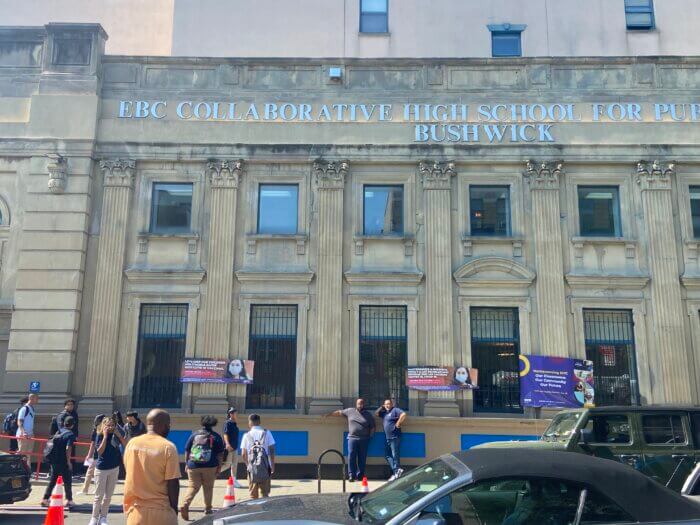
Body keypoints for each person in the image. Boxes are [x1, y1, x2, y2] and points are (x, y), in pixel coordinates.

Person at [123, 409, 180, 525]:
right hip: (162, 512)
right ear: (163, 425)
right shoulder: (168, 447)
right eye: (168, 425)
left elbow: (129, 472)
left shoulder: (132, 444)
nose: (169, 428)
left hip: (136, 513)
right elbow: (173, 482)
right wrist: (174, 510)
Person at [180, 415, 225, 520]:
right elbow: (220, 454)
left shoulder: (194, 435)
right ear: (213, 424)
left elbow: (187, 449)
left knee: (192, 487)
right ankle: (208, 509)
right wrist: (219, 466)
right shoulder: (215, 436)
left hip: (193, 465)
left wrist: (187, 463)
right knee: (208, 488)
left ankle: (185, 504)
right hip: (210, 466)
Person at [326, 398, 375, 482]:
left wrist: (370, 437)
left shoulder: (368, 415)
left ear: (364, 404)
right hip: (352, 438)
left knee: (362, 458)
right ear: (356, 404)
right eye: (359, 403)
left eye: (362, 403)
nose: (360, 405)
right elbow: (339, 412)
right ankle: (351, 475)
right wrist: (329, 414)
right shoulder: (350, 411)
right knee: (351, 457)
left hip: (364, 439)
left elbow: (373, 427)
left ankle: (360, 475)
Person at [90, 415, 126, 525]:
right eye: (108, 425)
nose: (110, 427)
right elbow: (99, 452)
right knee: (98, 496)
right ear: (103, 426)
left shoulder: (116, 435)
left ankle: (103, 518)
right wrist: (105, 437)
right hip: (102, 469)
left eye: (112, 425)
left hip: (114, 468)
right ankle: (94, 518)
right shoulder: (99, 435)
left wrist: (119, 436)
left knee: (108, 496)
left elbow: (126, 446)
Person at [41, 415, 76, 510]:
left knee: (52, 481)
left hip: (54, 461)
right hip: (63, 461)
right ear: (72, 425)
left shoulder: (59, 431)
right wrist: (69, 462)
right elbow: (68, 448)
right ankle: (69, 500)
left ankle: (45, 499)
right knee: (67, 481)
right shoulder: (70, 434)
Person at [240, 413, 276, 499]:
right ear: (259, 422)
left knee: (253, 495)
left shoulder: (246, 435)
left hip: (252, 469)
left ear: (250, 423)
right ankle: (265, 510)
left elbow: (243, 454)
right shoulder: (267, 433)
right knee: (265, 494)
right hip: (265, 467)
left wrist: (248, 465)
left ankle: (254, 510)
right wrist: (272, 465)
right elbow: (272, 450)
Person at [375, 398, 407, 480]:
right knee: (387, 455)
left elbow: (403, 414)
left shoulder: (395, 410)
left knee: (395, 455)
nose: (387, 405)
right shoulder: (384, 413)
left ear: (392, 404)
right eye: (386, 404)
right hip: (387, 438)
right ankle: (397, 470)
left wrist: (398, 423)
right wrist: (382, 407)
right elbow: (376, 413)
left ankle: (396, 472)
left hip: (395, 437)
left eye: (389, 404)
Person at [79, 413, 105, 495]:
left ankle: (85, 489)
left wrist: (89, 455)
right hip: (98, 454)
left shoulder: (97, 430)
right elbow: (93, 443)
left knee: (91, 472)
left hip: (97, 454)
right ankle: (95, 489)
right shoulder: (101, 430)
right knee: (95, 472)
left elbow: (93, 443)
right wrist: (89, 455)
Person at [222, 407, 242, 488]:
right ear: (230, 414)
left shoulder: (234, 423)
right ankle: (213, 474)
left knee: (234, 464)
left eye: (236, 413)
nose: (236, 415)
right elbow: (225, 434)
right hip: (230, 447)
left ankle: (234, 480)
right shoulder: (228, 423)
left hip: (235, 447)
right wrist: (227, 444)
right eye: (235, 413)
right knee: (227, 464)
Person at [16, 393, 38, 466]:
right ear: (31, 398)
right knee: (22, 453)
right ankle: (18, 469)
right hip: (23, 435)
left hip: (30, 434)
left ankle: (27, 469)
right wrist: (23, 432)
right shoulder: (24, 408)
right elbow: (19, 421)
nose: (37, 400)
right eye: (36, 398)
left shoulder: (32, 408)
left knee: (28, 453)